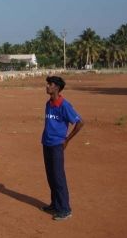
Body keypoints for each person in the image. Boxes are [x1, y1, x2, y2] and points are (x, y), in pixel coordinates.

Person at [41, 76, 84, 220]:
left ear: (57, 88)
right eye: (47, 84)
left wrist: (67, 140)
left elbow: (79, 123)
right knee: (51, 176)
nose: (47, 86)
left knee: (58, 177)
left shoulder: (64, 105)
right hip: (46, 143)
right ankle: (55, 205)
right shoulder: (48, 104)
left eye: (50, 84)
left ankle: (65, 209)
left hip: (57, 145)